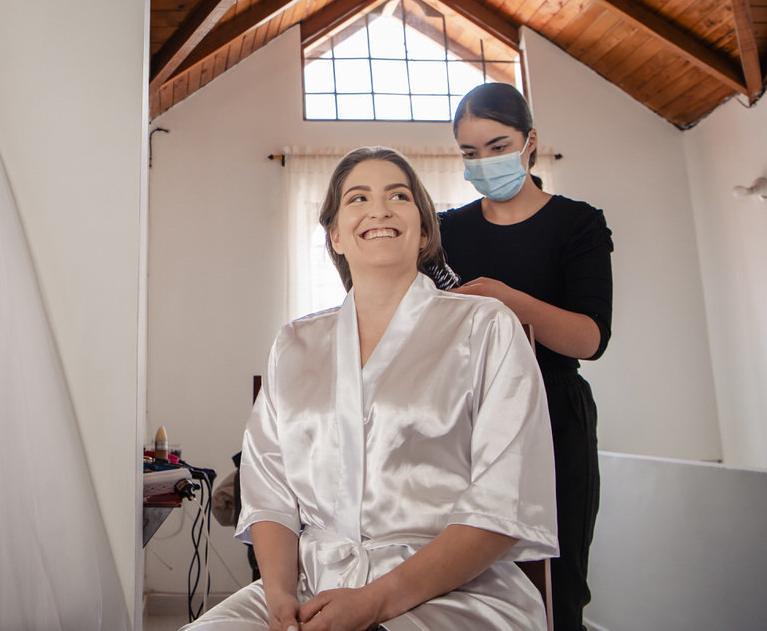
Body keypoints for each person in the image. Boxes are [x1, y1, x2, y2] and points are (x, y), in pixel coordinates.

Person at [184, 147, 557, 631]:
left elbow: (504, 501)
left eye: (398, 196)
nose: (378, 209)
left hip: (452, 593)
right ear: (335, 234)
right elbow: (270, 495)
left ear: (423, 230)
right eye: (358, 198)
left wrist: (376, 602)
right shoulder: (294, 344)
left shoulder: (485, 326)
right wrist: (279, 601)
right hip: (310, 587)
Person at [440, 83, 613, 631]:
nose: (484, 162)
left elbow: (589, 339)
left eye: (497, 146)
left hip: (552, 411)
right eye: (470, 153)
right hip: (466, 415)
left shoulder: (577, 224)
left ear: (530, 141)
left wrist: (505, 299)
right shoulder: (446, 232)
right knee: (466, 577)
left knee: (557, 583)